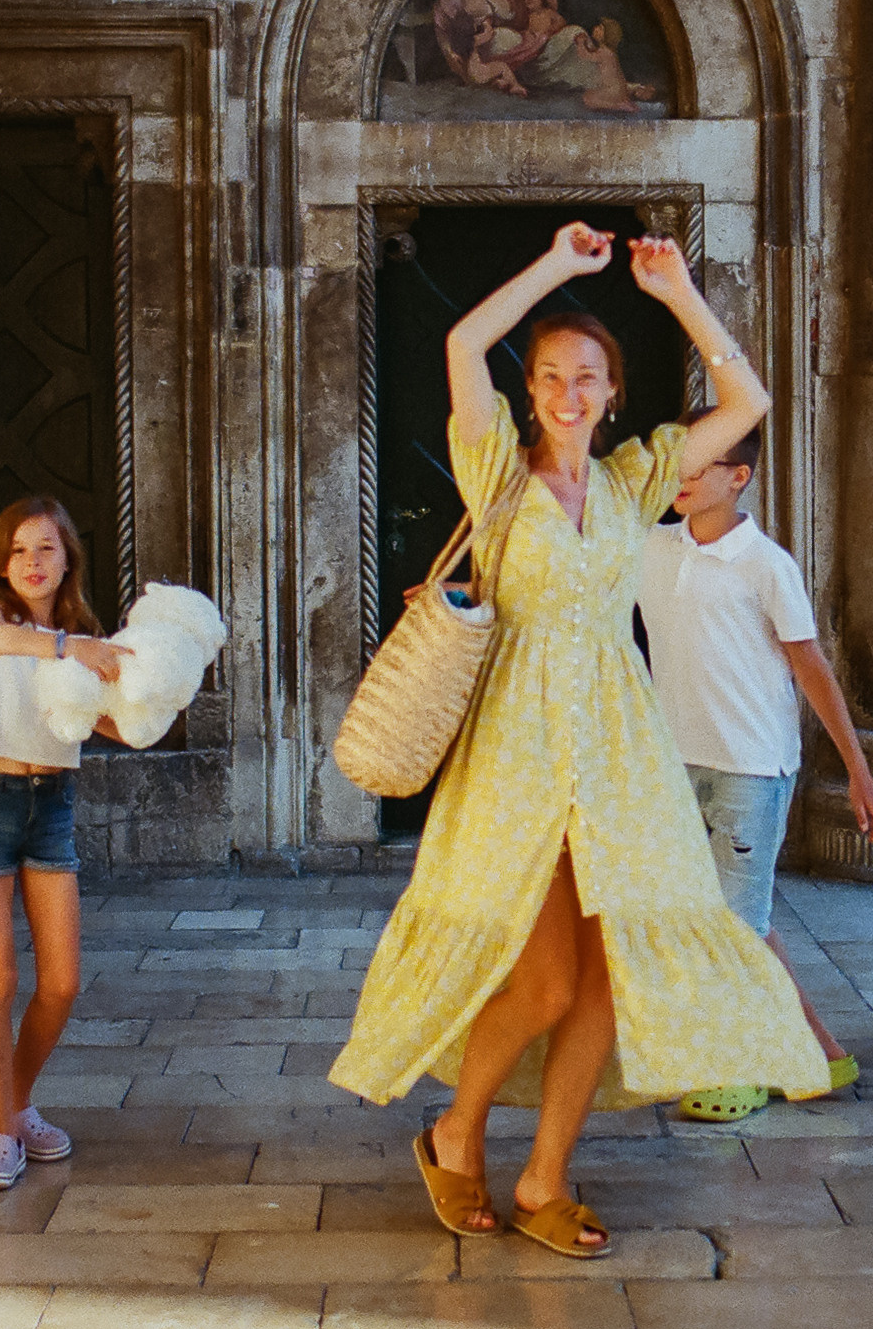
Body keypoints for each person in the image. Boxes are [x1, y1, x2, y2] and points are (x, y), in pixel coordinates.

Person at [330, 222, 830, 1259]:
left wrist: (679, 294)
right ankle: (454, 1132)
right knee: (548, 979)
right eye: (553, 374)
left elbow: (747, 407)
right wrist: (559, 270)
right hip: (517, 749)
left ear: (611, 393)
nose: (569, 391)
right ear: (533, 391)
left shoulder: (635, 480)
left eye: (589, 376)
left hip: (617, 750)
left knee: (609, 975)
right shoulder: (498, 481)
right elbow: (466, 344)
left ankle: (545, 1176)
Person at [634, 427, 873, 1123]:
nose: (679, 475)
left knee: (729, 928)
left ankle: (735, 1068)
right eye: (675, 463)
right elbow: (565, 575)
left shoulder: (765, 565)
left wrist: (857, 773)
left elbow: (810, 667)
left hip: (751, 766)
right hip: (675, 762)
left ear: (737, 475)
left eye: (697, 464)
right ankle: (819, 1053)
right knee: (738, 921)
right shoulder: (649, 548)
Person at [0, 496, 131, 1191]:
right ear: (3, 563)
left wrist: (138, 692)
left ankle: (13, 1105)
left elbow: (110, 724)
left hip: (52, 806)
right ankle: (1, 1132)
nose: (32, 561)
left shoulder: (85, 633)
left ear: (68, 558)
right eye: (20, 549)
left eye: (46, 548)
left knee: (59, 982)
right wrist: (70, 649)